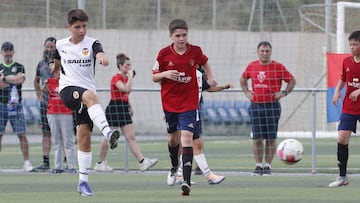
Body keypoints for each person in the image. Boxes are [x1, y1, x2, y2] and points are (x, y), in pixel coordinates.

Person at [52, 8, 120, 197]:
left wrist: (102, 58)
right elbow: (56, 63)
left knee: (84, 137)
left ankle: (83, 182)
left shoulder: (93, 43)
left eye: (84, 26)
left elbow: (99, 53)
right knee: (90, 96)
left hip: (87, 95)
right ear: (69, 27)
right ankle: (107, 132)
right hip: (68, 90)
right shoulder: (60, 44)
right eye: (77, 27)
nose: (82, 30)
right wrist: (54, 67)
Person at [152, 19, 217, 196]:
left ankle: (186, 182)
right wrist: (166, 73)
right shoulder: (164, 54)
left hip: (189, 103)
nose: (181, 39)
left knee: (187, 138)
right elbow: (155, 77)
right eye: (178, 36)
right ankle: (174, 166)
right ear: (171, 36)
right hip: (170, 103)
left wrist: (210, 78)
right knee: (173, 139)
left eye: (184, 35)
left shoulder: (195, 51)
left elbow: (204, 63)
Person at [94, 53, 158, 172]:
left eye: (130, 65)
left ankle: (142, 161)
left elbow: (125, 95)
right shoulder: (116, 78)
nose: (129, 67)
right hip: (114, 107)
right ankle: (100, 163)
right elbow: (124, 89)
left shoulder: (126, 78)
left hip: (123, 107)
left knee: (131, 137)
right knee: (108, 136)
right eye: (127, 65)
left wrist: (130, 107)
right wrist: (130, 78)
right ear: (120, 66)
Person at [240, 41, 296, 176]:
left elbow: (292, 80)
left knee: (271, 138)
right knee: (257, 138)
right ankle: (258, 165)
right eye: (262, 51)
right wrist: (247, 92)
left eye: (267, 51)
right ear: (258, 52)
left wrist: (284, 93)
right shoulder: (252, 66)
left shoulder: (278, 67)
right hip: (256, 106)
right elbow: (243, 78)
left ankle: (268, 166)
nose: (264, 53)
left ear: (270, 52)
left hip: (272, 106)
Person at [176, 67, 229, 185]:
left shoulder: (199, 72)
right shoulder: (182, 72)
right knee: (192, 144)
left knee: (193, 144)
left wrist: (222, 86)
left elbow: (207, 87)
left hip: (193, 112)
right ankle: (208, 175)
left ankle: (179, 174)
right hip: (186, 112)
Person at [328, 30, 360, 187]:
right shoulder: (347, 61)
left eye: (355, 44)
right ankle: (342, 177)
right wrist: (336, 93)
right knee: (341, 138)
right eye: (351, 44)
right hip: (349, 107)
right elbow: (343, 79)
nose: (352, 47)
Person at [0, 41, 34, 172]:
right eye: (5, 51)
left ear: (13, 52)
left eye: (10, 51)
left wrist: (4, 79)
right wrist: (11, 80)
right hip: (1, 104)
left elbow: (20, 80)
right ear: (2, 52)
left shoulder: (19, 66)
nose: (8, 54)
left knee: (22, 134)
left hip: (15, 105)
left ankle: (26, 162)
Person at [46, 63, 76, 174]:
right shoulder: (49, 82)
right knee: (57, 140)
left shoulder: (67, 81)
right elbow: (42, 89)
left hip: (66, 113)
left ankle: (71, 165)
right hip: (52, 112)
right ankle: (58, 166)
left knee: (68, 140)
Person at [33, 37, 56, 172]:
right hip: (45, 104)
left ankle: (64, 162)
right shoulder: (41, 64)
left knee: (61, 134)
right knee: (45, 133)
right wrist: (39, 95)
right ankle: (45, 161)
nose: (49, 49)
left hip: (59, 104)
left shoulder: (61, 63)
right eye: (47, 46)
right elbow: (36, 81)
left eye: (51, 47)